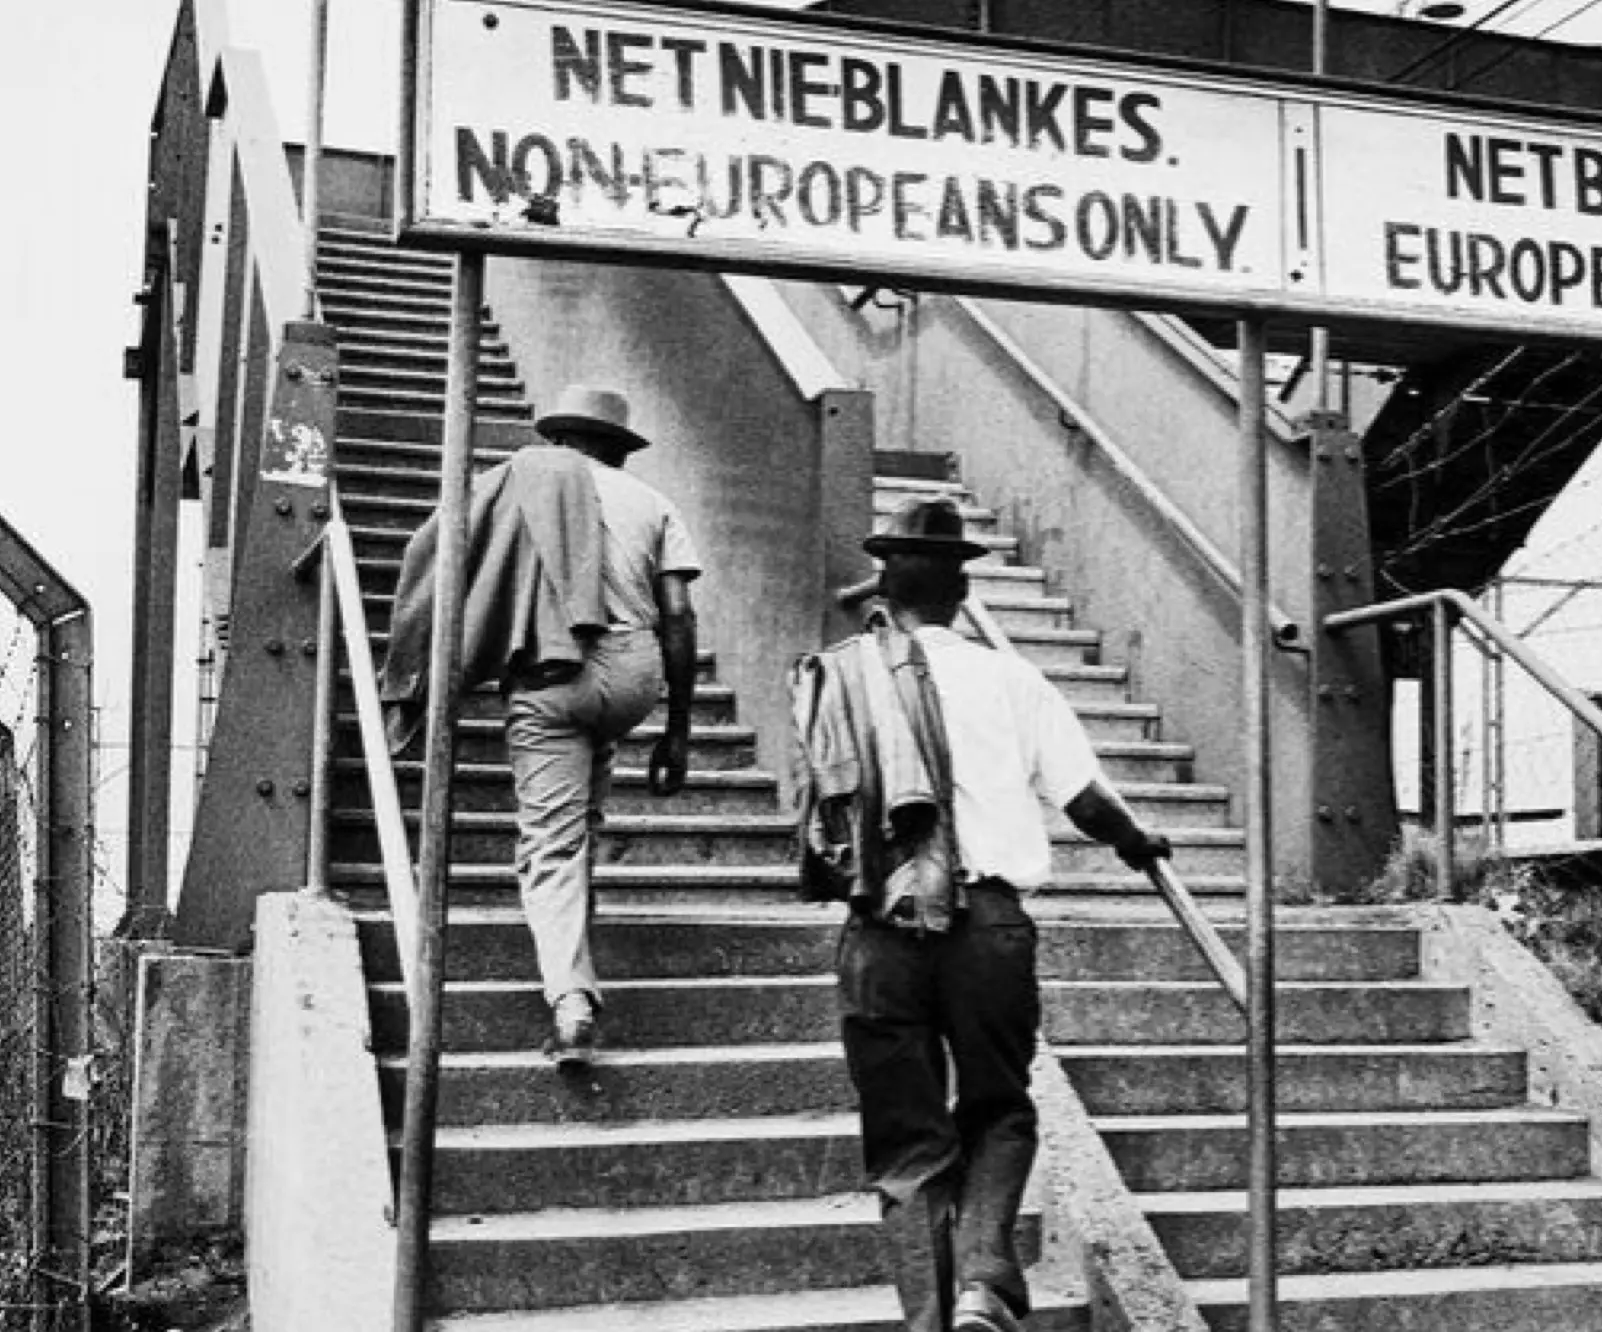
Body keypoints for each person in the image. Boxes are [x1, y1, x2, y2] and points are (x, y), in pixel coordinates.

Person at [793, 497, 1170, 1332]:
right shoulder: (1013, 677)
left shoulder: (840, 673)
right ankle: (985, 1280)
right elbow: (1083, 798)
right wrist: (1139, 842)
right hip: (988, 924)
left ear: (883, 587)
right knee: (999, 1106)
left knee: (905, 1138)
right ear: (961, 590)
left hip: (882, 927)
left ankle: (933, 1318)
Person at [380, 384, 702, 1065]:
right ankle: (577, 944)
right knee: (583, 819)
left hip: (553, 677)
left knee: (550, 846)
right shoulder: (654, 502)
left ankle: (572, 1001)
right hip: (636, 676)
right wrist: (677, 730)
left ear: (560, 442)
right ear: (619, 449)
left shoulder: (517, 485)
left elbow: (436, 553)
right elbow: (680, 616)